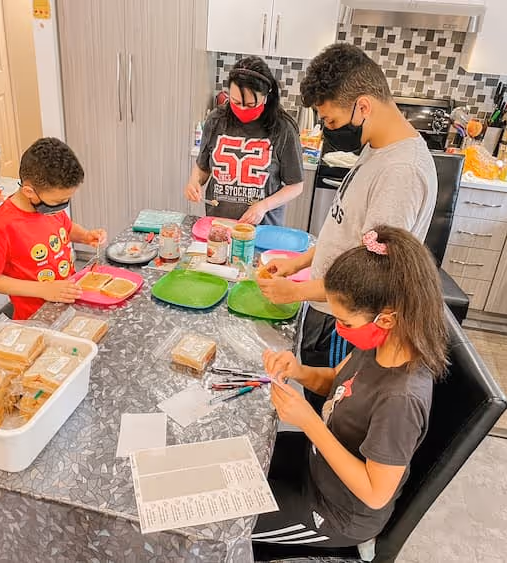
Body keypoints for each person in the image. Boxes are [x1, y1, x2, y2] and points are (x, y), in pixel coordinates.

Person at [258, 43, 438, 410]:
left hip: (345, 321)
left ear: (364, 106)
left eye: (331, 122)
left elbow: (371, 280)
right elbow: (350, 232)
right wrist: (301, 262)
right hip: (325, 306)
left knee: (328, 409)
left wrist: (295, 293)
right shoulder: (377, 146)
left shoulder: (401, 173)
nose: (328, 131)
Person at [252, 226, 448, 548]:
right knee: (240, 458)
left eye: (346, 323)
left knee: (224, 520)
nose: (341, 332)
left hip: (336, 512)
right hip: (315, 466)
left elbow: (375, 493)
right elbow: (336, 380)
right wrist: (298, 370)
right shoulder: (382, 343)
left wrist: (309, 422)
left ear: (386, 319)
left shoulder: (401, 398)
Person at [0, 137, 107, 320]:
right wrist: (43, 289)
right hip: (35, 317)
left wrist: (85, 235)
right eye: (58, 201)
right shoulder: (2, 225)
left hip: (69, 303)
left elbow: (66, 228)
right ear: (29, 192)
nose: (62, 206)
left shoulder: (48, 207)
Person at [183, 56, 304, 225]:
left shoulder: (283, 128)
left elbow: (296, 186)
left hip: (262, 230)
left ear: (266, 97)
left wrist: (263, 206)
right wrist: (194, 182)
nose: (241, 109)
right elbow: (203, 167)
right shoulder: (216, 120)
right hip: (219, 225)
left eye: (249, 104)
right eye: (235, 102)